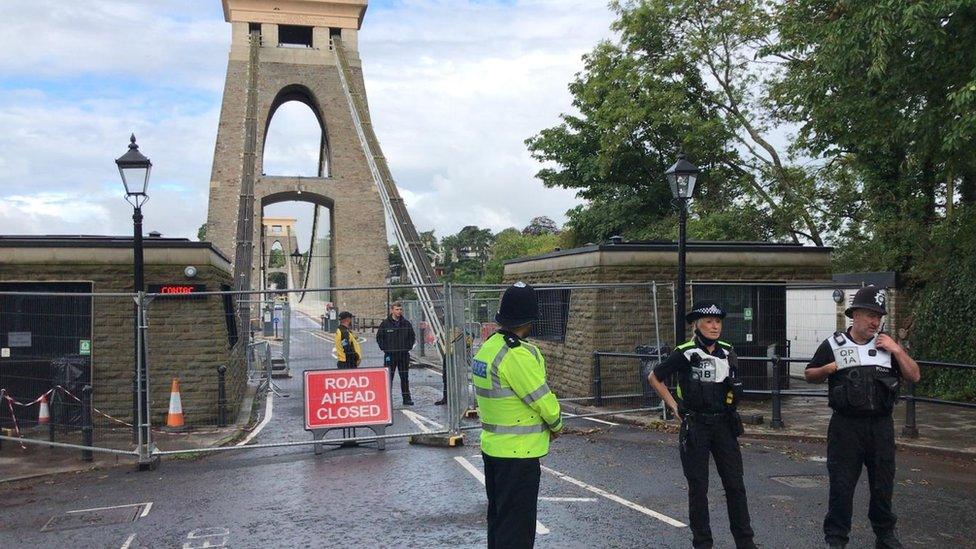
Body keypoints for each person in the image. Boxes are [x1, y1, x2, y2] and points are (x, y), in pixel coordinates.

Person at [804, 286, 920, 549]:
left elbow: (914, 376)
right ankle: (836, 538)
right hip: (846, 427)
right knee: (842, 486)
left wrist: (898, 350)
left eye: (879, 316)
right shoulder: (834, 344)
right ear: (854, 315)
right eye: (870, 315)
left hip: (880, 426)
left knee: (882, 485)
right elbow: (810, 374)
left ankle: (885, 534)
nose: (875, 321)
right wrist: (829, 368)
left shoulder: (886, 345)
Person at [648, 302, 757, 549]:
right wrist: (674, 406)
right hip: (696, 425)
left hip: (724, 426)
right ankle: (702, 543)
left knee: (735, 485)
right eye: (708, 321)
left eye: (718, 321)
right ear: (696, 324)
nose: (714, 326)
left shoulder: (728, 351)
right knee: (699, 488)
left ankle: (745, 542)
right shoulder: (685, 352)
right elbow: (655, 377)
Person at [473, 282, 562, 549]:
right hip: (518, 455)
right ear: (530, 319)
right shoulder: (516, 355)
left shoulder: (489, 347)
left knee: (499, 521)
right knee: (518, 530)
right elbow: (543, 400)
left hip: (494, 448)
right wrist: (557, 424)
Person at [376, 302, 417, 405]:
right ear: (392, 310)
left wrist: (407, 347)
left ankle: (406, 398)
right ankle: (386, 399)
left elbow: (412, 337)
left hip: (403, 355)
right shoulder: (385, 324)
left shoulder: (406, 323)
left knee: (404, 377)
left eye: (400, 309)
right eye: (397, 309)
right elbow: (379, 337)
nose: (399, 311)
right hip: (390, 355)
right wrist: (386, 349)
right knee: (389, 377)